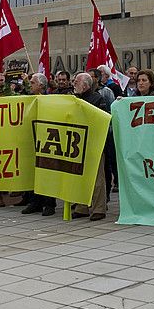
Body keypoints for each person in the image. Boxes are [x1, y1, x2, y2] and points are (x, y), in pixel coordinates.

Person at [70, 72, 108, 221]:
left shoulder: (98, 99)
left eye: (76, 82)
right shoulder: (73, 99)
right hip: (77, 143)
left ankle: (98, 208)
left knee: (97, 178)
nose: (73, 84)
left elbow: (102, 120)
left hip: (94, 143)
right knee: (79, 176)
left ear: (85, 85)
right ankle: (81, 207)